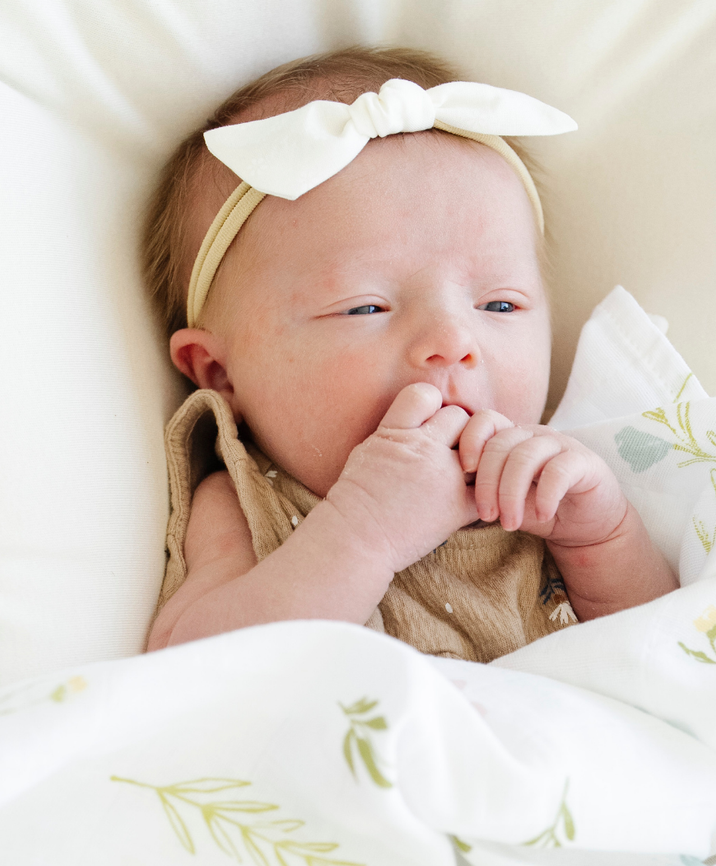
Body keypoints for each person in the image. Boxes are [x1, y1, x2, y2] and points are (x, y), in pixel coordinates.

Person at [141, 46, 678, 661]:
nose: (453, 343)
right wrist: (365, 529)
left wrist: (603, 536)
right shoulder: (245, 501)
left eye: (499, 306)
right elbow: (189, 669)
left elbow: (672, 659)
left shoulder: (550, 488)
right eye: (365, 307)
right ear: (219, 373)